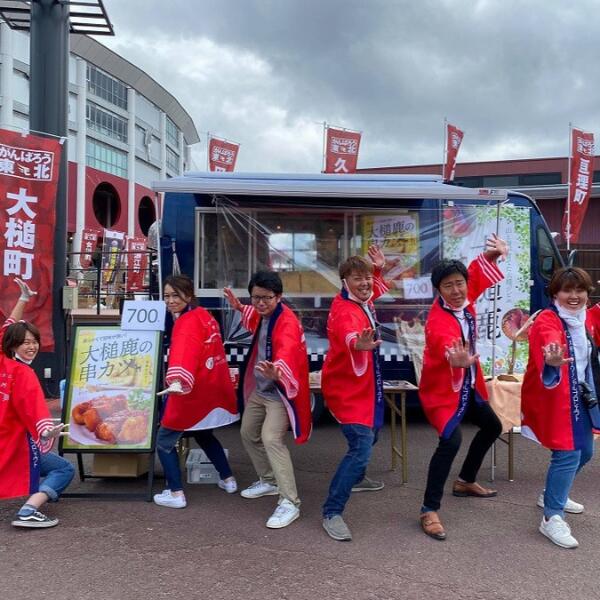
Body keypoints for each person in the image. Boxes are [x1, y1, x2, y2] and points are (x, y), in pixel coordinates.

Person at [418, 234, 507, 541]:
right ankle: (429, 509)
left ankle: (465, 480)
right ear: (438, 290)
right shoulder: (438, 320)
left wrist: (493, 256)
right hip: (443, 392)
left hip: (466, 387)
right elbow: (444, 342)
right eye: (448, 286)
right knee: (451, 442)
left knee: (493, 426)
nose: (456, 291)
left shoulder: (464, 297)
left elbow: (475, 274)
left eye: (459, 283)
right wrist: (453, 359)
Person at [224, 271, 311, 529]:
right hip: (261, 390)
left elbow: (286, 348)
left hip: (279, 393)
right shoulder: (264, 314)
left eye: (266, 298)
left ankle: (290, 502)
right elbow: (253, 318)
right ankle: (269, 481)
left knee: (271, 438)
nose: (260, 303)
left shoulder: (287, 322)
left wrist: (278, 370)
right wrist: (240, 306)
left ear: (279, 297)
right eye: (255, 297)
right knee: (248, 433)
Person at [521, 267, 599, 549]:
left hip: (578, 396)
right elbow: (549, 341)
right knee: (568, 453)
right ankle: (551, 516)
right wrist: (552, 358)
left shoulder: (586, 317)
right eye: (567, 290)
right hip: (554, 397)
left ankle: (553, 493)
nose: (574, 296)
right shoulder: (547, 320)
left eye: (580, 290)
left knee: (587, 451)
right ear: (555, 293)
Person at [320, 246, 390, 542]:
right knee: (361, 450)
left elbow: (374, 291)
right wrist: (357, 344)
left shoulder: (362, 300)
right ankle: (331, 511)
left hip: (367, 387)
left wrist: (378, 270)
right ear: (344, 281)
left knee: (373, 433)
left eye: (367, 278)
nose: (365, 284)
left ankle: (357, 480)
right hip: (347, 392)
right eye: (357, 278)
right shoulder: (343, 311)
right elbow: (349, 334)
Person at [153, 275, 239, 508]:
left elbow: (183, 355)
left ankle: (176, 493)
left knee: (164, 441)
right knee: (203, 434)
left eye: (175, 295)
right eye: (167, 296)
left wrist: (177, 382)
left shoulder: (186, 322)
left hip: (189, 391)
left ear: (188, 296)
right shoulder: (205, 316)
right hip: (210, 387)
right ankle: (228, 479)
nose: (170, 301)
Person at [0, 279, 73, 528]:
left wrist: (23, 299)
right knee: (63, 469)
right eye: (26, 342)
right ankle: (29, 509)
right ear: (13, 345)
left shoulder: (3, 358)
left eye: (34, 341)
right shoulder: (24, 374)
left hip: (6, 437)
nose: (32, 346)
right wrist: (45, 430)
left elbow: (8, 327)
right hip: (14, 442)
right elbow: (34, 406)